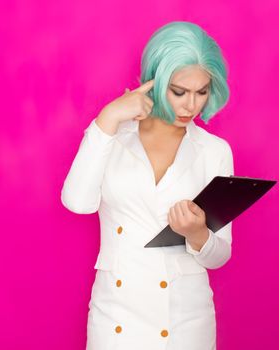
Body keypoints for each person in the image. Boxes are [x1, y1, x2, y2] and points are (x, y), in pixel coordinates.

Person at [61, 21, 234, 350]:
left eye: (202, 92)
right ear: (155, 81)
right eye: (179, 91)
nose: (191, 105)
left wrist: (197, 233)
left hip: (186, 319)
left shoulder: (214, 151)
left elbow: (220, 255)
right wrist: (108, 118)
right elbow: (78, 202)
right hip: (116, 317)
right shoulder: (112, 134)